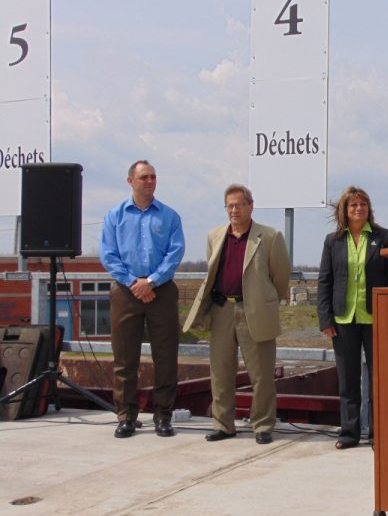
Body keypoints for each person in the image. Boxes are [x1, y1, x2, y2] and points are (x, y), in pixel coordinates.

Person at [183, 184, 291, 445]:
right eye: (229, 205)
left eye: (239, 205)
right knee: (220, 371)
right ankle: (223, 424)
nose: (234, 210)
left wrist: (261, 301)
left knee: (262, 374)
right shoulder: (214, 236)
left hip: (254, 310)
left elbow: (280, 278)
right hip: (222, 311)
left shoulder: (270, 236)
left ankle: (263, 425)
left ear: (250, 206)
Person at [100, 160, 185, 438]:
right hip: (126, 292)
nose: (149, 181)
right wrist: (133, 283)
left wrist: (150, 281)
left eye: (153, 177)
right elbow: (108, 254)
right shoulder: (115, 216)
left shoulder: (170, 216)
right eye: (144, 177)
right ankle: (126, 416)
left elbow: (175, 253)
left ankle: (163, 416)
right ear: (130, 181)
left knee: (165, 357)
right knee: (125, 358)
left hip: (161, 291)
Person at [317, 186, 388, 449]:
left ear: (369, 209)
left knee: (378, 379)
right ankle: (349, 433)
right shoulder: (333, 241)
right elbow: (325, 281)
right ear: (345, 210)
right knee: (348, 379)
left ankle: (379, 433)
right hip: (343, 319)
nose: (359, 209)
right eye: (353, 205)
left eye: (363, 205)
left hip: (375, 318)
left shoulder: (384, 236)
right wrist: (325, 319)